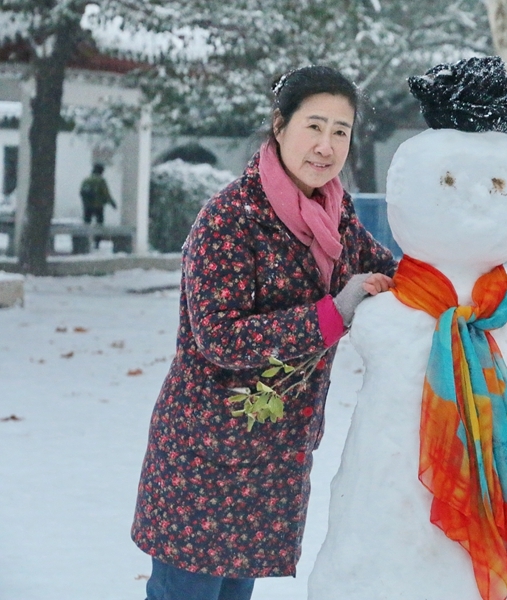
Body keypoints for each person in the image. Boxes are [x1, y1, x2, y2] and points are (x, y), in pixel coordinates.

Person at [131, 65, 396, 600]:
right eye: (313, 126)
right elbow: (220, 336)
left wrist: (464, 285)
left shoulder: (336, 217)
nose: (325, 146)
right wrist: (331, 313)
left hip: (272, 459)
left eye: (340, 132)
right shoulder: (230, 218)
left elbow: (394, 274)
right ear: (279, 126)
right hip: (205, 458)